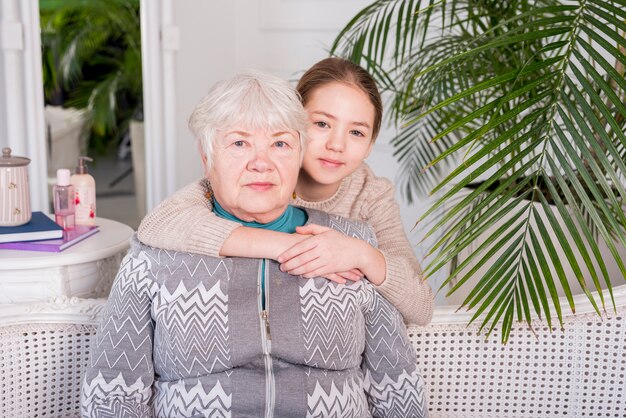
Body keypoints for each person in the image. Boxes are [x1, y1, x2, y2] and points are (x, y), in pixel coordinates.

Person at [81, 71, 428, 417]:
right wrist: (285, 246)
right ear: (207, 157)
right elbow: (112, 393)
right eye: (239, 143)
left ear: (299, 151)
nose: (261, 163)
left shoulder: (358, 237)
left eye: (280, 144)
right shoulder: (158, 251)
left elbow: (397, 388)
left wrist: (363, 254)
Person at [138, 58, 434, 326]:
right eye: (321, 124)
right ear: (291, 124)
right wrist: (290, 246)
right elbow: (157, 224)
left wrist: (360, 253)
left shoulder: (371, 194)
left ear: (370, 145)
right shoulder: (254, 178)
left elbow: (421, 306)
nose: (337, 144)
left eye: (356, 132)